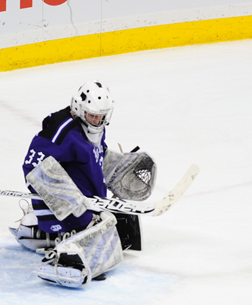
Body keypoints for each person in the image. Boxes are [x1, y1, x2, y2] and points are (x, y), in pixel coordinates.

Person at [9, 81, 156, 288]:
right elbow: (32, 166)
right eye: (92, 116)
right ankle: (58, 233)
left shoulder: (96, 127)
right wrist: (66, 196)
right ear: (79, 108)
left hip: (87, 203)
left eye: (101, 116)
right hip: (64, 207)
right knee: (102, 242)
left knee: (113, 230)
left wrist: (116, 165)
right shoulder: (61, 130)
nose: (97, 121)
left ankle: (58, 230)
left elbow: (93, 157)